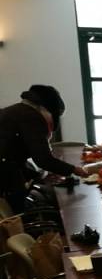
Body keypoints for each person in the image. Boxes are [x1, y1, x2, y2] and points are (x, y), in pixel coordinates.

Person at [0, 85, 88, 213]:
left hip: (7, 167)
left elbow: (16, 155)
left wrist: (40, 175)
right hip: (5, 172)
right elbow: (43, 159)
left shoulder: (17, 110)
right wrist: (74, 170)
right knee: (16, 212)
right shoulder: (31, 116)